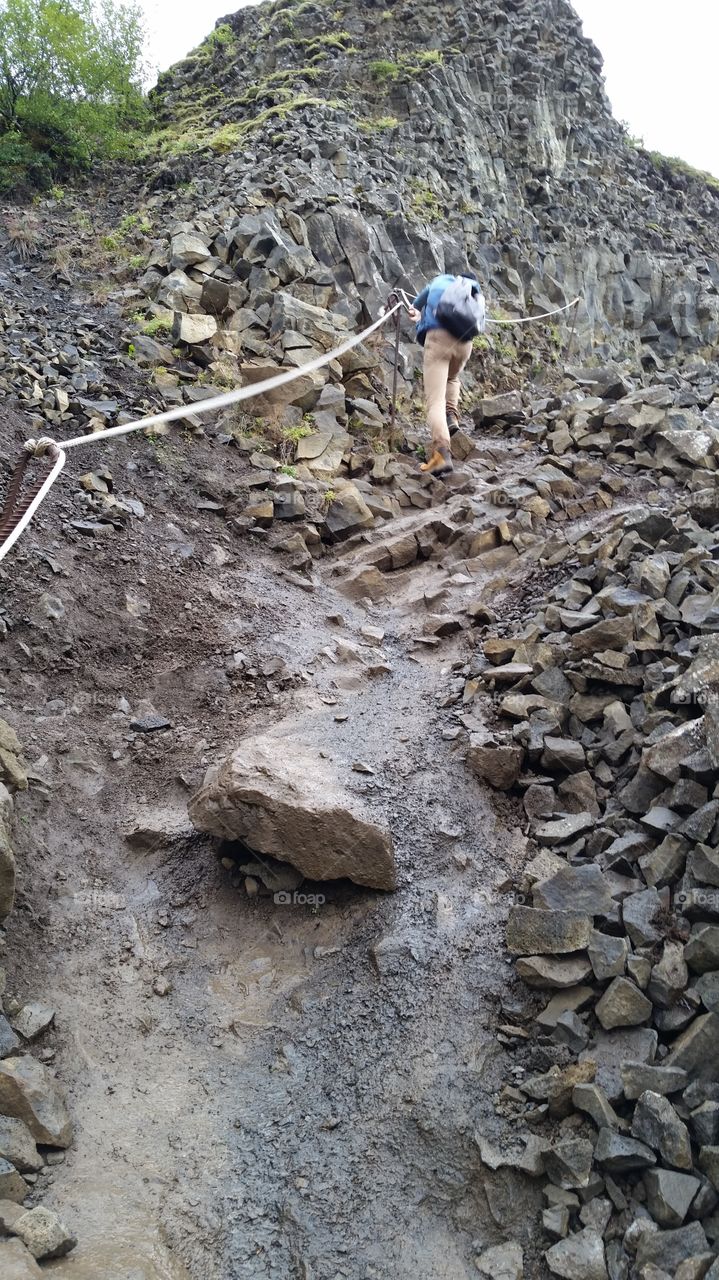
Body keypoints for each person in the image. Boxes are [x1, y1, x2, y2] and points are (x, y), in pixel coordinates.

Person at [407, 272, 484, 478]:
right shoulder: (472, 289)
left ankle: (441, 455)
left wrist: (417, 317)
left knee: (434, 402)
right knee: (452, 378)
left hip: (439, 339)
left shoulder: (438, 281)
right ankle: (452, 418)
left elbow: (415, 305)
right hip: (465, 344)